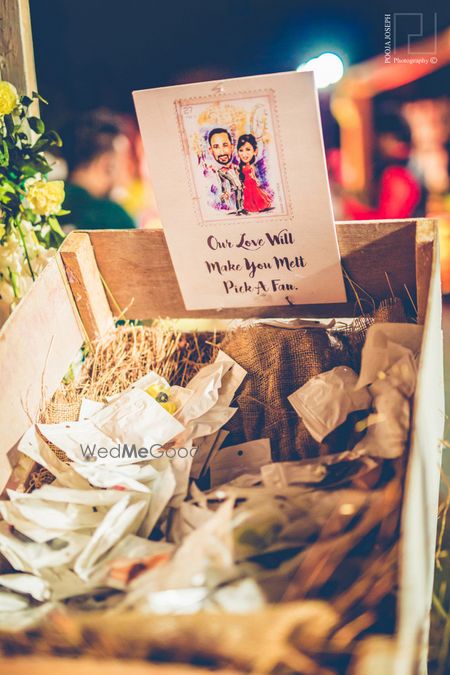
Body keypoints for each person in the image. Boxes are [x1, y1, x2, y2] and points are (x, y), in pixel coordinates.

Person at [59, 110, 136, 230]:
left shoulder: (43, 204)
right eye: (124, 161)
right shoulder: (114, 218)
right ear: (107, 165)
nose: (129, 171)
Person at [343, 112, 424, 220]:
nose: (375, 143)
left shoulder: (396, 175)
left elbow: (386, 222)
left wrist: (348, 208)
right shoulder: (400, 170)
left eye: (379, 137)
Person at [208, 128, 245, 214]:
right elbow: (223, 184)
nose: (222, 151)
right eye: (216, 147)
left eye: (225, 145)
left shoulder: (237, 167)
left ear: (232, 147)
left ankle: (240, 209)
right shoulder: (212, 175)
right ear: (211, 151)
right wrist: (224, 193)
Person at [237, 133, 272, 213]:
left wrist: (256, 180)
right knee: (248, 197)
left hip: (252, 183)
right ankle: (248, 207)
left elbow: (253, 175)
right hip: (245, 185)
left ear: (255, 151)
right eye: (241, 150)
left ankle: (257, 206)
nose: (244, 154)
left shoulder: (252, 166)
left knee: (255, 196)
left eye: (248, 149)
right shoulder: (240, 167)